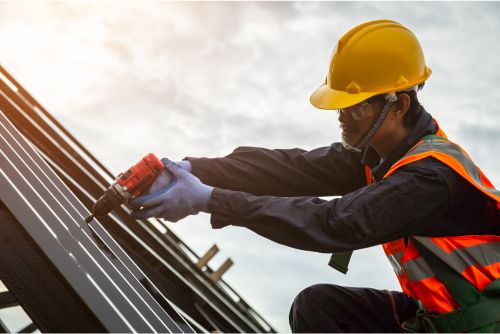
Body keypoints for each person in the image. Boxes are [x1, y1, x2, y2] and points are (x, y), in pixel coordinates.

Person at [129, 20, 500, 332]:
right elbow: (292, 168)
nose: (340, 115)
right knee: (319, 307)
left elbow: (335, 223)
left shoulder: (430, 179)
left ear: (398, 104)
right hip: (449, 318)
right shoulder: (384, 156)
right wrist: (192, 170)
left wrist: (208, 199)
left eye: (353, 105)